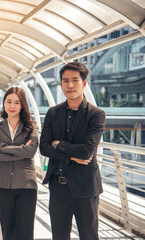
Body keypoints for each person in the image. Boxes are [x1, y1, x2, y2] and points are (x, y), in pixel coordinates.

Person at [40, 62, 105, 240]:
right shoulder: (53, 113)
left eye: (75, 80)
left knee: (88, 235)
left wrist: (58, 144)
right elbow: (44, 147)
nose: (70, 85)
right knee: (59, 235)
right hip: (58, 186)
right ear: (61, 85)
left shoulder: (96, 114)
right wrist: (71, 157)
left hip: (85, 187)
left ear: (84, 83)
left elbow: (86, 151)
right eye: (65, 81)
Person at [0, 87, 39, 240]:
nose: (12, 106)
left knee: (25, 233)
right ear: (3, 103)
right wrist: (20, 151)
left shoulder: (31, 126)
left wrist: (4, 148)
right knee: (8, 233)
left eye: (17, 102)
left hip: (26, 185)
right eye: (9, 101)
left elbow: (31, 151)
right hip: (3, 185)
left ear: (22, 105)